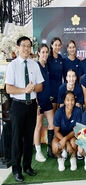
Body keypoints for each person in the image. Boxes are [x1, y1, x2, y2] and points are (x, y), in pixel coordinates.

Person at [5, 36, 44, 182]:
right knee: (17, 139)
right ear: (18, 47)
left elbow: (41, 86)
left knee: (29, 138)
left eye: (29, 46)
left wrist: (34, 88)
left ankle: (27, 166)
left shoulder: (34, 65)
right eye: (24, 46)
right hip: (18, 105)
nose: (27, 48)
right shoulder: (13, 66)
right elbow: (9, 88)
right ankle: (16, 170)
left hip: (32, 105)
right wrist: (24, 90)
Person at [33, 44, 55, 162]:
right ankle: (38, 152)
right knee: (39, 125)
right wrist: (36, 102)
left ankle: (50, 149)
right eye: (43, 52)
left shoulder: (46, 65)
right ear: (38, 53)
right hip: (39, 101)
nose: (45, 54)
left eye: (47, 52)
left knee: (52, 125)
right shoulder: (35, 66)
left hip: (47, 101)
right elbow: (33, 85)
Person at [52, 91, 82, 171]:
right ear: (64, 101)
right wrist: (66, 142)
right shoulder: (59, 112)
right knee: (55, 147)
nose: (70, 102)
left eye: (72, 100)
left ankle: (73, 158)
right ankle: (60, 159)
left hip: (72, 135)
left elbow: (76, 129)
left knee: (74, 144)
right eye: (68, 100)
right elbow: (56, 131)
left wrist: (66, 140)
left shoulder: (78, 111)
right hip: (60, 136)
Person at [47, 37, 63, 112]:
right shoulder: (48, 59)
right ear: (51, 45)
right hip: (51, 91)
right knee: (52, 116)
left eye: (59, 45)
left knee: (58, 114)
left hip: (59, 91)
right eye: (55, 45)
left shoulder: (60, 58)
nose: (57, 47)